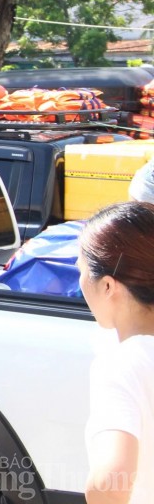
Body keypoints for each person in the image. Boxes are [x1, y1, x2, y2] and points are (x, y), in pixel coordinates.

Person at [77, 201, 154, 503]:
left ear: (108, 285)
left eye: (81, 270)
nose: (80, 282)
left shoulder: (124, 365)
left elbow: (110, 482)